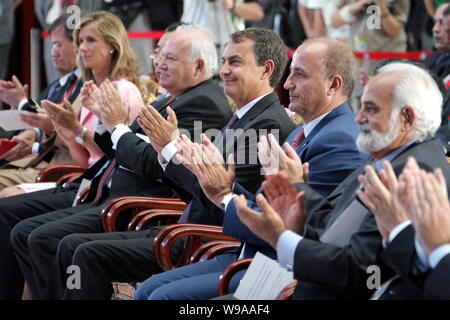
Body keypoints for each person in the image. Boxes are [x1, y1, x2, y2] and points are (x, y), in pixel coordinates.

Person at [37, 27, 296, 300]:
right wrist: (168, 150)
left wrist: (169, 149)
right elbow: (203, 189)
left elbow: (221, 201)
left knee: (84, 252)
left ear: (266, 70)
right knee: (72, 246)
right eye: (224, 62)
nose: (224, 71)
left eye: (235, 62)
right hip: (180, 224)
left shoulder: (266, 124)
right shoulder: (244, 116)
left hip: (206, 237)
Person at [5, 25, 232, 300]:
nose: (159, 63)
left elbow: (153, 164)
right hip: (105, 190)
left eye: (170, 58)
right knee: (23, 228)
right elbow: (116, 150)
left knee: (43, 238)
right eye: (158, 54)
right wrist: (92, 125)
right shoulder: (171, 96)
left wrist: (117, 126)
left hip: (137, 205)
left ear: (198, 66)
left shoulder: (204, 102)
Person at [134, 37, 370, 300]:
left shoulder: (339, 140)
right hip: (245, 253)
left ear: (333, 85)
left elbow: (310, 231)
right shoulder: (305, 131)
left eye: (300, 75)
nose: (288, 83)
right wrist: (222, 187)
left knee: (160, 298)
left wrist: (224, 194)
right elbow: (265, 205)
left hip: (277, 269)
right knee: (148, 290)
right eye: (290, 73)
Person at [234, 61, 450, 299]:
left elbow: (359, 272)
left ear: (406, 118)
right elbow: (340, 229)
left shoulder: (410, 173)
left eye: (371, 109)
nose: (358, 119)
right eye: (361, 107)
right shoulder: (392, 157)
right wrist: (299, 204)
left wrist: (281, 238)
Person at [0, 10, 147, 300]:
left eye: (91, 40)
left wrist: (74, 129)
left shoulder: (124, 90)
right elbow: (86, 159)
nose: (83, 48)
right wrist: (67, 128)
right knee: (10, 215)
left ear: (112, 46)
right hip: (85, 180)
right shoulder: (91, 91)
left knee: (19, 220)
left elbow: (114, 155)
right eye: (80, 40)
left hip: (103, 188)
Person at [0, 15, 84, 196]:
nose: (53, 52)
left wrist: (23, 104)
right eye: (51, 45)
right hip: (35, 161)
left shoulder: (87, 86)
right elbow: (40, 122)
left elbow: (71, 134)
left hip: (58, 168)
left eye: (58, 45)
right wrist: (20, 106)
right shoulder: (56, 85)